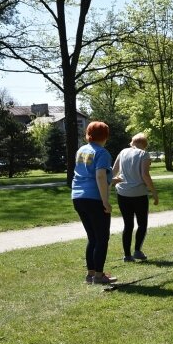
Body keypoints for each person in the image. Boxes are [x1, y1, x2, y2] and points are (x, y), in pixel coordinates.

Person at [71, 121, 118, 285]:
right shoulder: (102, 152)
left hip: (78, 197)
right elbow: (99, 176)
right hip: (94, 198)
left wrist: (112, 179)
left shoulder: (81, 150)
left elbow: (89, 173)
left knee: (92, 237)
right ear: (105, 136)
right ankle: (99, 276)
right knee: (102, 238)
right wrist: (105, 201)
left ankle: (90, 274)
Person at [112, 133, 159, 262]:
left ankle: (127, 255)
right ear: (144, 145)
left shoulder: (122, 152)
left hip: (122, 193)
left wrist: (111, 182)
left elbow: (113, 171)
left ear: (132, 142)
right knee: (142, 223)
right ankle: (137, 251)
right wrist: (154, 193)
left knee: (128, 225)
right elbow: (145, 175)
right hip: (139, 194)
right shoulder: (143, 154)